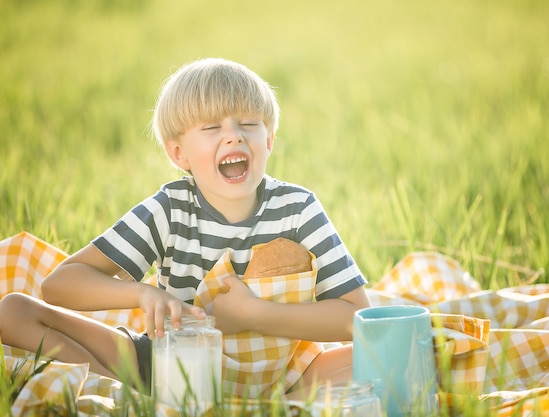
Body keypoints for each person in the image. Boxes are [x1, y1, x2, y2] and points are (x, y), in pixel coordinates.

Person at [0, 58, 371, 400]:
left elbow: (356, 319)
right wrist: (143, 296)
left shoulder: (298, 208)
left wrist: (253, 315)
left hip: (283, 377)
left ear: (269, 139)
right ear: (179, 154)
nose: (234, 136)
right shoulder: (170, 209)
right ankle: (131, 400)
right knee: (13, 312)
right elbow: (59, 285)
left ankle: (274, 405)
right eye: (212, 127)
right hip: (167, 372)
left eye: (248, 124)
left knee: (400, 344)